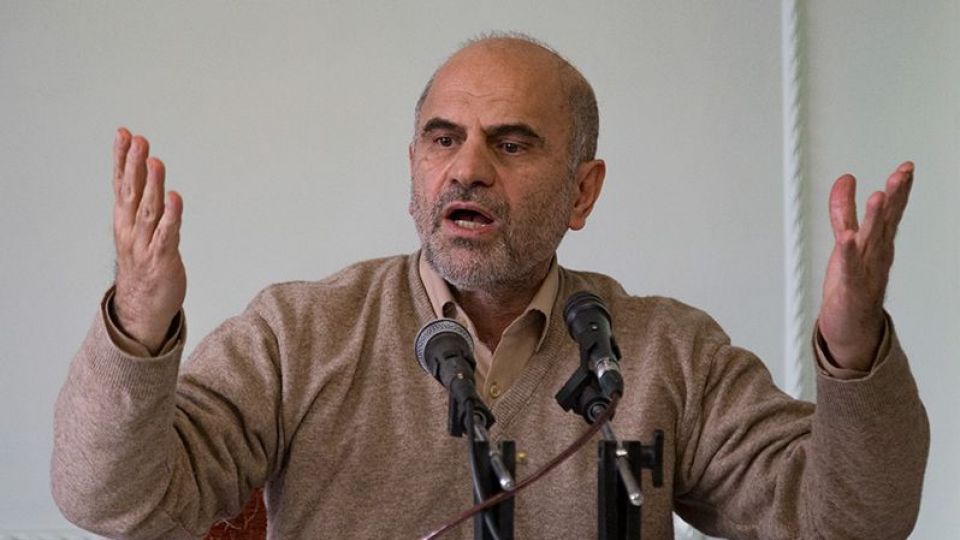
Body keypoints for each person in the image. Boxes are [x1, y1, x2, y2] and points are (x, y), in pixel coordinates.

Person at [52, 34, 928, 539]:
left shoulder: (668, 353)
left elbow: (852, 523)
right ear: (413, 167)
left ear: (583, 191)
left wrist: (854, 351)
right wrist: (136, 325)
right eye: (443, 139)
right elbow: (111, 498)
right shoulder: (299, 333)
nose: (466, 169)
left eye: (511, 144)